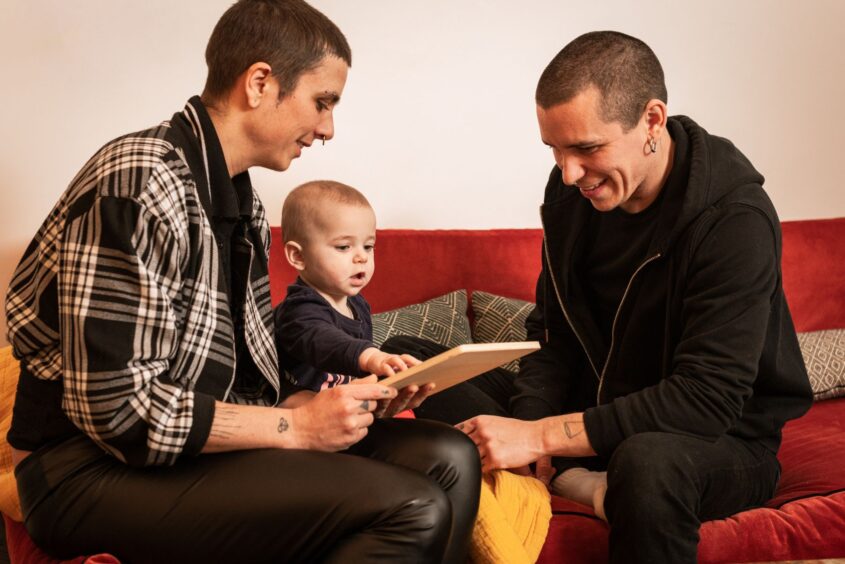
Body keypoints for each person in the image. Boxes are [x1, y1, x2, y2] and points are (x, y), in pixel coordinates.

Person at [4, 1, 479, 562]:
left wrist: (340, 404)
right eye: (322, 102)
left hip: (188, 450)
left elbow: (250, 378)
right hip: (83, 469)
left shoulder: (241, 202)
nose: (328, 129)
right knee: (412, 507)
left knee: (451, 457)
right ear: (259, 84)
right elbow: (119, 412)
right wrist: (295, 428)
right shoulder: (138, 181)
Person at [458, 31, 812, 563]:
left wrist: (540, 438)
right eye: (554, 150)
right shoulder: (571, 195)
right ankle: (576, 482)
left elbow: (706, 398)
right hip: (593, 414)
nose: (569, 173)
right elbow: (554, 338)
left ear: (651, 120)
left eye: (586, 148)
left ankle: (596, 481)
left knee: (646, 464)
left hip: (715, 438)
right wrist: (530, 430)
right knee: (417, 365)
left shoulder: (734, 219)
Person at [274, 180, 423, 407]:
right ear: (298, 256)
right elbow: (322, 340)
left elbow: (353, 373)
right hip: (297, 410)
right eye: (344, 247)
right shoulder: (298, 309)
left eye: (368, 246)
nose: (362, 257)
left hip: (341, 407)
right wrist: (371, 356)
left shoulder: (358, 305)